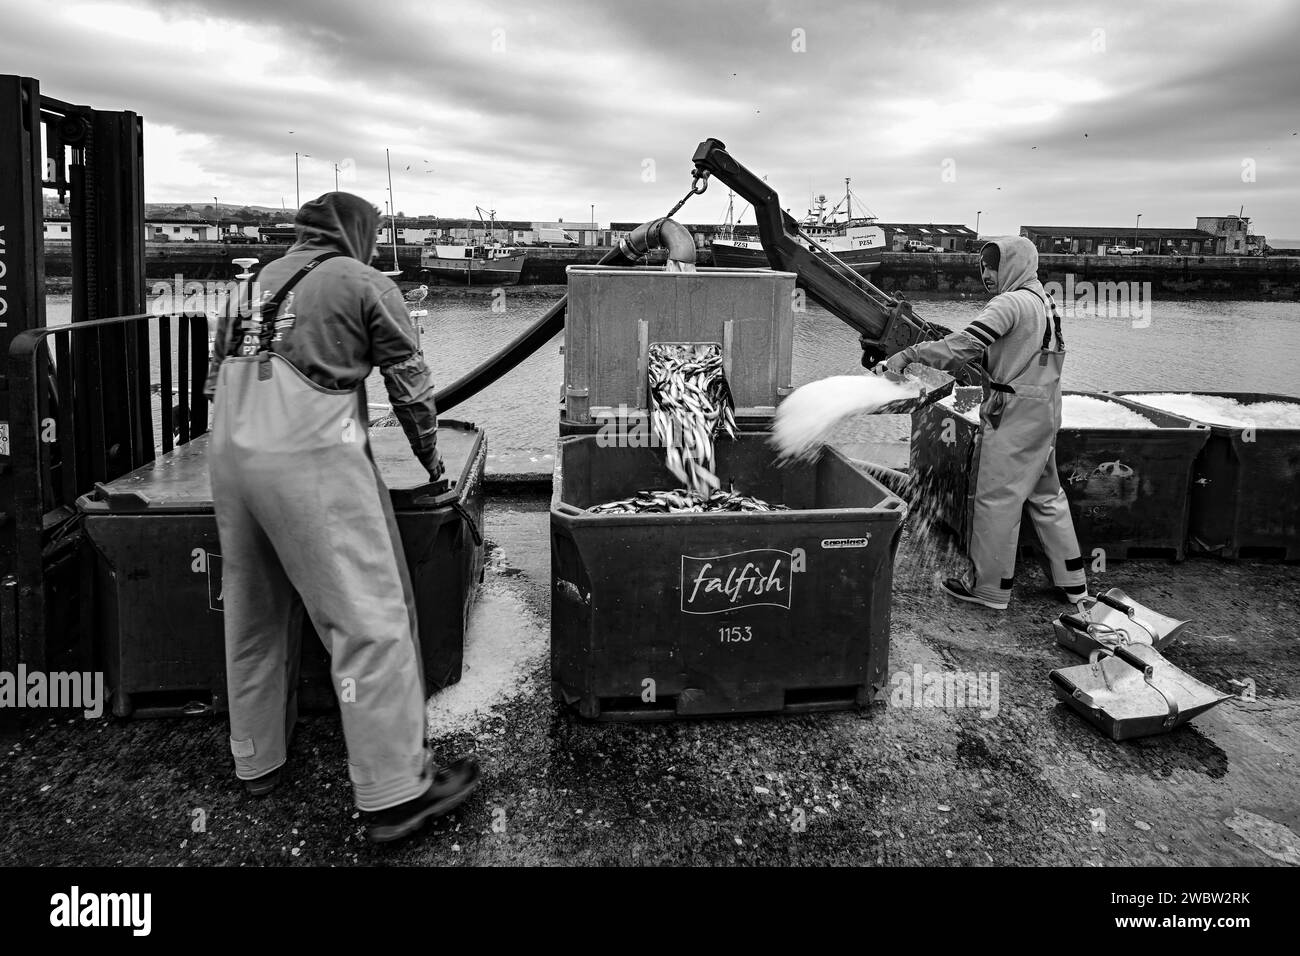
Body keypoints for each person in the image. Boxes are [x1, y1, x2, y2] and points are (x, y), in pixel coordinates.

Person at [205, 192, 480, 844]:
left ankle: (257, 758)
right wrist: (433, 464)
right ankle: (395, 795)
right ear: (358, 231)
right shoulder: (363, 281)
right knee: (368, 619)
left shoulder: (254, 284)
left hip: (230, 453)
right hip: (307, 457)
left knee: (253, 612)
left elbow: (217, 378)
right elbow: (410, 387)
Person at [876, 236, 1087, 611]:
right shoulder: (1044, 301)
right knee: (1046, 496)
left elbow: (965, 346)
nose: (988, 275)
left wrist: (909, 354)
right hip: (1045, 410)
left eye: (994, 266)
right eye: (983, 267)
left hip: (1013, 413)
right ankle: (1073, 582)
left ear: (1013, 266)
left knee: (995, 500)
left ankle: (990, 589)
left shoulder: (1009, 303)